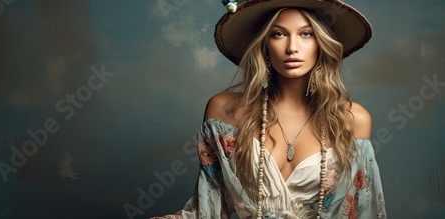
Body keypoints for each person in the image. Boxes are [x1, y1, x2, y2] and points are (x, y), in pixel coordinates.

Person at [154, 0, 386, 218]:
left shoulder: (352, 118)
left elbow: (365, 210)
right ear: (265, 44)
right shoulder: (225, 111)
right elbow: (208, 208)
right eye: (279, 34)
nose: (292, 47)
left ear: (321, 43)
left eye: (306, 34)